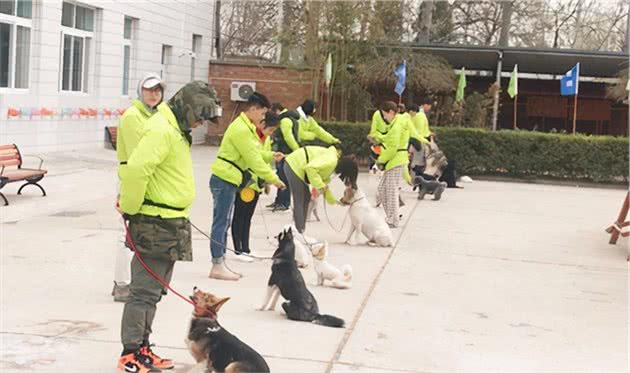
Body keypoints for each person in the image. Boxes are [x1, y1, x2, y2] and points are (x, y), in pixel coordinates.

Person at [117, 81, 222, 372]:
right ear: (186, 108)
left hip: (171, 222)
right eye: (200, 116)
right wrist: (130, 207)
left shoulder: (175, 130)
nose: (201, 123)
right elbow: (136, 169)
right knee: (143, 293)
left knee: (156, 292)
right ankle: (130, 353)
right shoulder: (161, 129)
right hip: (154, 222)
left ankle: (143, 347)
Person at [209, 92, 285, 281]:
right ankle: (217, 264)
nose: (263, 118)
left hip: (230, 178)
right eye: (262, 113)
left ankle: (220, 262)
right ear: (252, 109)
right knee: (222, 222)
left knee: (224, 221)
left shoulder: (247, 127)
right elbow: (253, 161)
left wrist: (270, 156)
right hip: (224, 178)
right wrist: (274, 179)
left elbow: (257, 153)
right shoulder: (242, 130)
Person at [113, 73, 165, 303]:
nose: (153, 94)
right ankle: (122, 283)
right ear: (139, 91)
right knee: (127, 234)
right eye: (149, 90)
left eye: (158, 90)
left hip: (147, 179)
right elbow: (139, 156)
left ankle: (138, 281)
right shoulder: (134, 116)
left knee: (140, 233)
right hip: (134, 178)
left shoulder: (156, 115)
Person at [231, 112, 281, 263]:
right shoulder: (250, 136)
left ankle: (246, 249)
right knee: (239, 216)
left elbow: (263, 162)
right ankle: (237, 250)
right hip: (246, 184)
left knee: (247, 218)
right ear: (263, 124)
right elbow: (254, 159)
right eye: (270, 130)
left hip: (256, 185)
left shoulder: (266, 139)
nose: (271, 133)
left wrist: (266, 182)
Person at [284, 144, 357, 236]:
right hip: (294, 164)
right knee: (300, 198)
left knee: (306, 197)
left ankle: (299, 230)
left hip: (297, 164)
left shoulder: (332, 166)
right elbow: (310, 168)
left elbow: (324, 186)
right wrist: (320, 185)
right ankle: (299, 231)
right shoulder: (331, 161)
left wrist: (335, 201)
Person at [375, 101, 409, 228]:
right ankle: (391, 217)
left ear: (391, 112)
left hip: (395, 160)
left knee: (390, 191)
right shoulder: (396, 124)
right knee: (384, 189)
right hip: (394, 160)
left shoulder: (396, 126)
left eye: (385, 115)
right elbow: (389, 140)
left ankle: (393, 219)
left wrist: (380, 160)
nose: (384, 118)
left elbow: (392, 148)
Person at [267, 103, 300, 212]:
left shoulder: (285, 120)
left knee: (284, 177)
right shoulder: (287, 118)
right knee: (280, 176)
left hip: (285, 153)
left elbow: (288, 137)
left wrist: (297, 151)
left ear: (276, 110)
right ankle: (279, 201)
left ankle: (284, 203)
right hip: (284, 152)